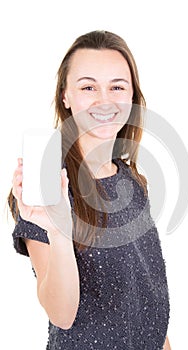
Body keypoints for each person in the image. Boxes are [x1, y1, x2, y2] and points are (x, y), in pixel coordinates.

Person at [9, 30, 171, 350]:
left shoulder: (134, 183)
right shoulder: (46, 191)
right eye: (88, 87)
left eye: (117, 87)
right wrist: (59, 229)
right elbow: (61, 314)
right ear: (66, 96)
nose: (104, 100)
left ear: (132, 98)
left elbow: (149, 306)